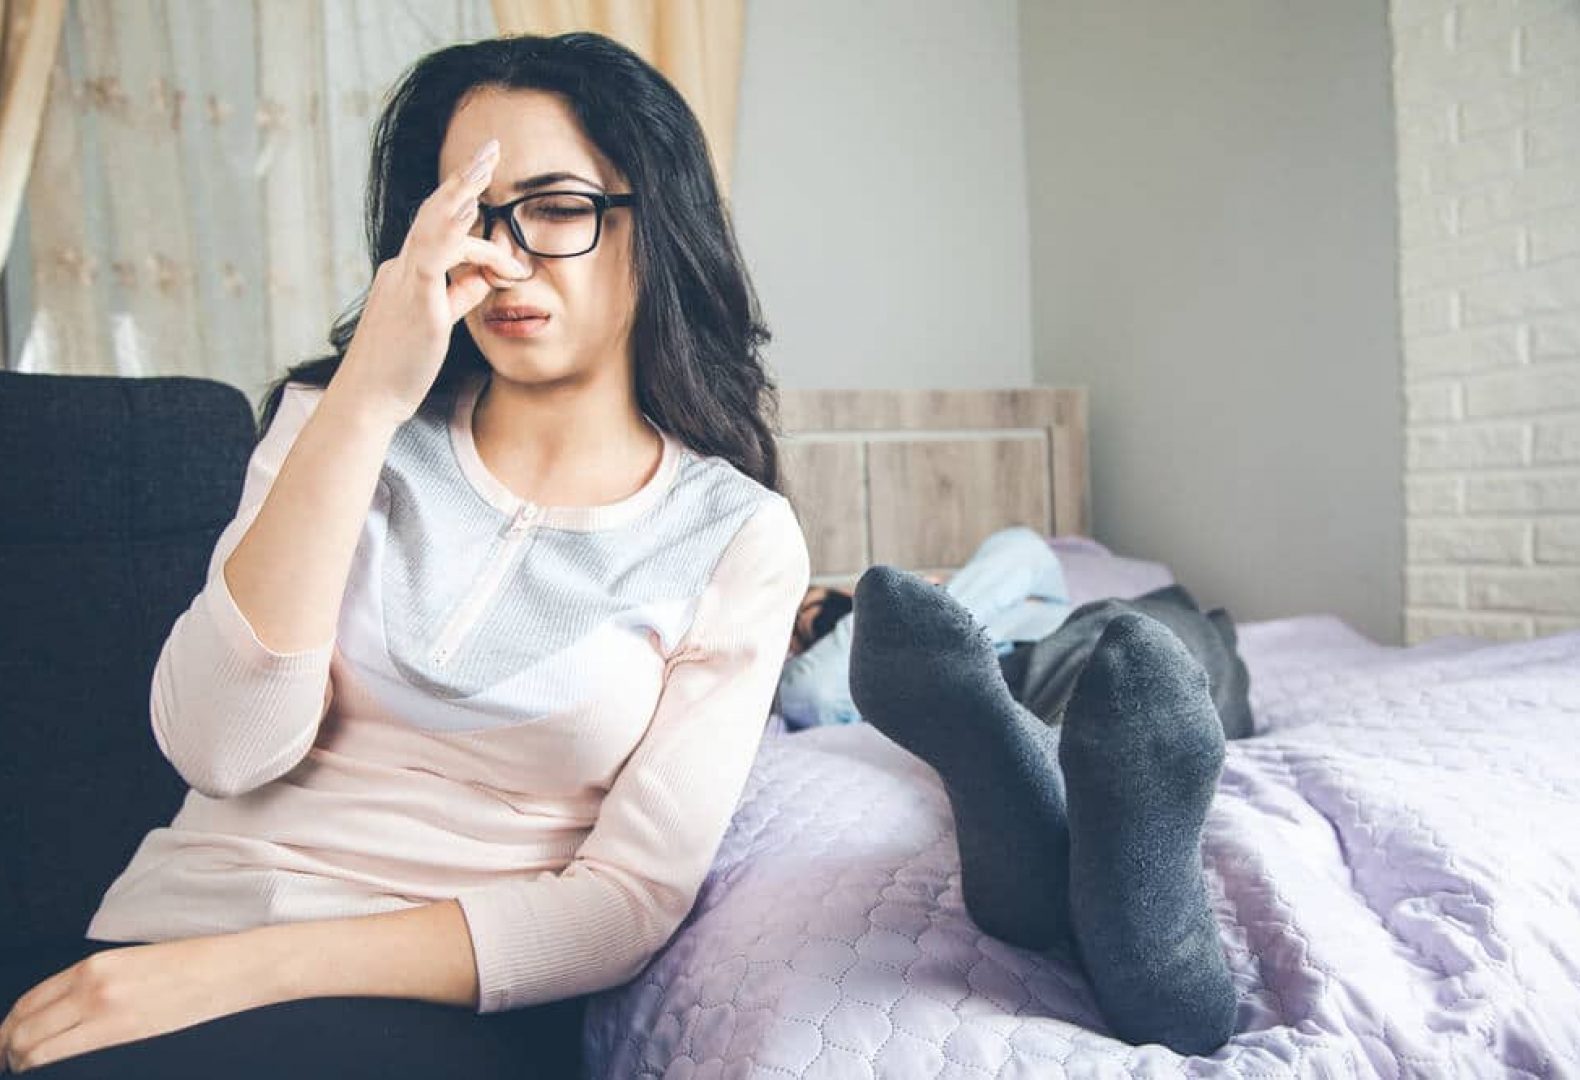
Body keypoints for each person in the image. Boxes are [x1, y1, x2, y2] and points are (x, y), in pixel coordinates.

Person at [0, 32, 807, 1078]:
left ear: (657, 224)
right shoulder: (329, 424)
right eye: (468, 213)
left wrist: (245, 970)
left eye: (556, 207)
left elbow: (624, 903)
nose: (502, 259)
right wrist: (368, 399)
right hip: (159, 949)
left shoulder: (734, 535)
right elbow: (221, 747)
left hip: (438, 1005)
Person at [849, 567, 1244, 1056]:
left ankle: (1025, 839)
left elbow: (1021, 552)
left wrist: (958, 593)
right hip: (1052, 665)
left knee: (1129, 655)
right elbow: (812, 690)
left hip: (1071, 648)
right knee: (1135, 673)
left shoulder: (1035, 586)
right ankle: (1166, 952)